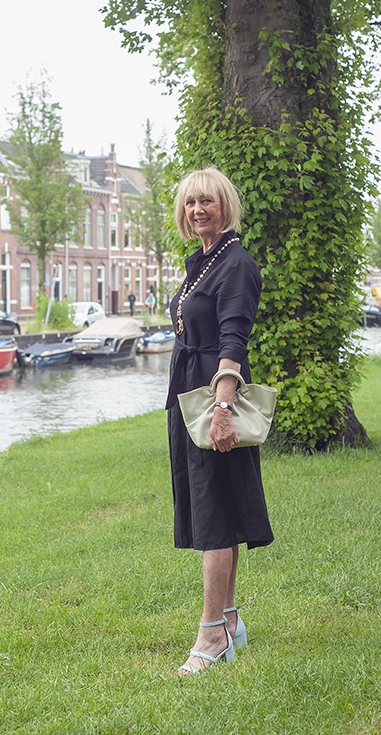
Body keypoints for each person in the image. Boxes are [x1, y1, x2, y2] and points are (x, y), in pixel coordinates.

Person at [166, 166, 273, 676]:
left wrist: (224, 409)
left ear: (225, 206)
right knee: (218, 508)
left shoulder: (236, 264)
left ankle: (210, 632)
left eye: (207, 201)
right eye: (190, 203)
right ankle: (229, 620)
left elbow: (234, 338)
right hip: (190, 392)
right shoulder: (202, 263)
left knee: (215, 514)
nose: (197, 210)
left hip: (213, 396)